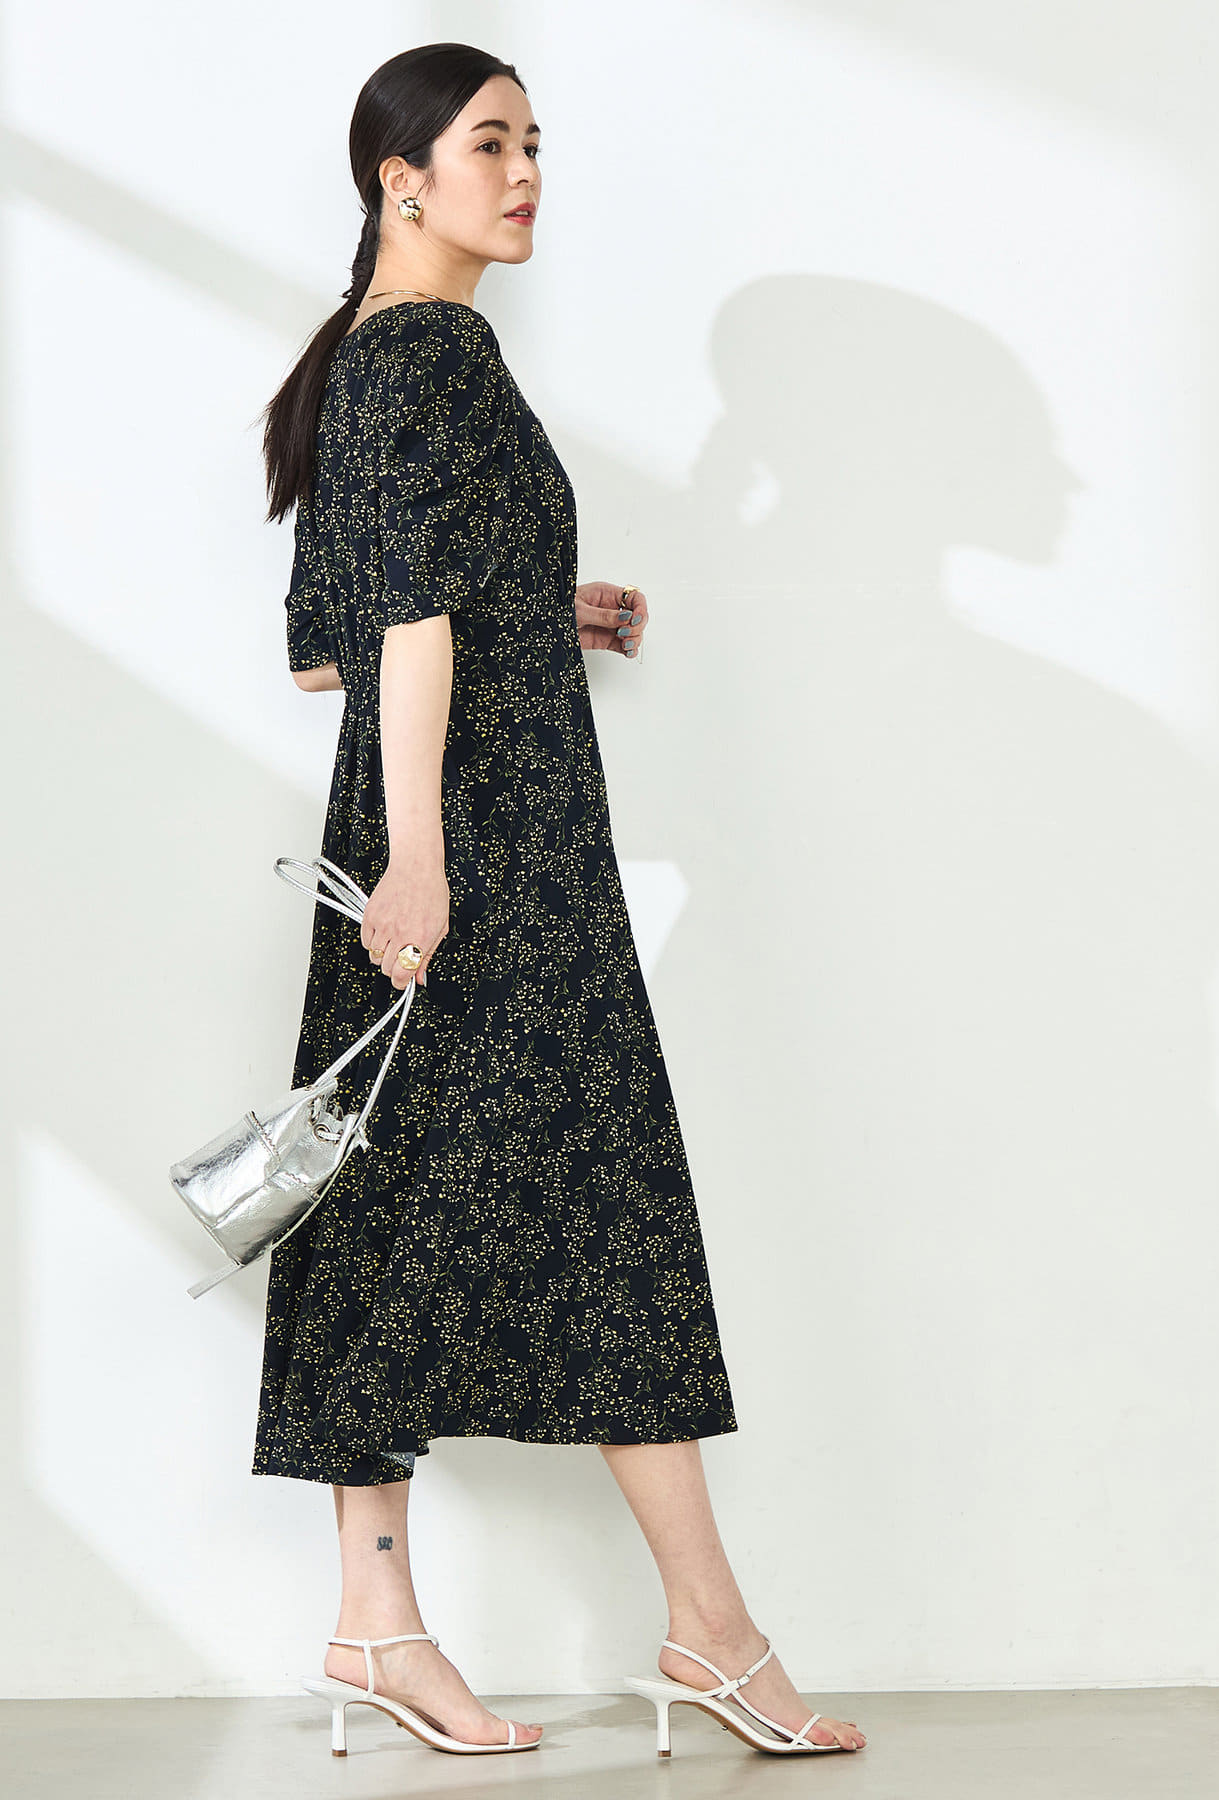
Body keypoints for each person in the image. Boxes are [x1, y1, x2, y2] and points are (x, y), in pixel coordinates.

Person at [252, 42, 866, 1761]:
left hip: (455, 835)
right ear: (402, 180)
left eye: (536, 144)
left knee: (403, 1209)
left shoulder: (371, 354)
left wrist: (544, 604)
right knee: (600, 1201)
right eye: (492, 144)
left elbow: (322, 649)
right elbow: (394, 632)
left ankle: (395, 1622)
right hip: (480, 852)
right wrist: (425, 857)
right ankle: (701, 1630)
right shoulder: (430, 353)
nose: (527, 174)